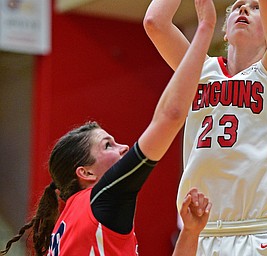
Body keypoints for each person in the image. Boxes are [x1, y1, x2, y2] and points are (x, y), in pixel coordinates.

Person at [0, 0, 215, 255]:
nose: (124, 147)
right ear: (86, 173)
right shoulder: (101, 200)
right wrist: (205, 29)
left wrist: (189, 233)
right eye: (107, 145)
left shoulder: (72, 219)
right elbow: (171, 114)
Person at [144, 0, 267, 255]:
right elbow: (154, 22)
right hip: (200, 233)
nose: (244, 9)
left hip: (258, 234)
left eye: (255, 7)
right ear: (224, 31)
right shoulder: (198, 70)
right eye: (237, 6)